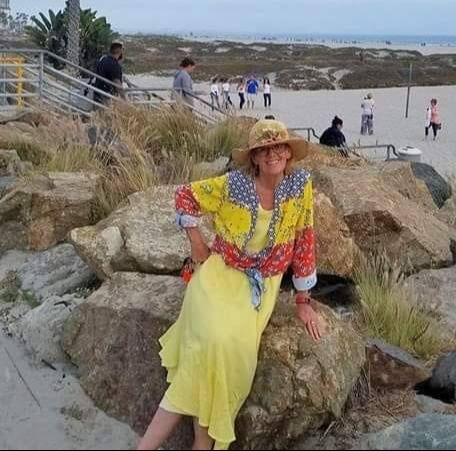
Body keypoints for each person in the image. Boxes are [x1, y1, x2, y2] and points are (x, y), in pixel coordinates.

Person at [137, 119, 324, 451]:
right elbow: (185, 196)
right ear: (254, 157)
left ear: (288, 153)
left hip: (259, 287)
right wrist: (197, 242)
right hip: (219, 274)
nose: (272, 154)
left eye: (278, 147)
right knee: (213, 341)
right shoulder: (234, 184)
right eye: (263, 149)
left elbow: (304, 239)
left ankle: (196, 444)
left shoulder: (299, 186)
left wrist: (303, 301)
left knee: (226, 349)